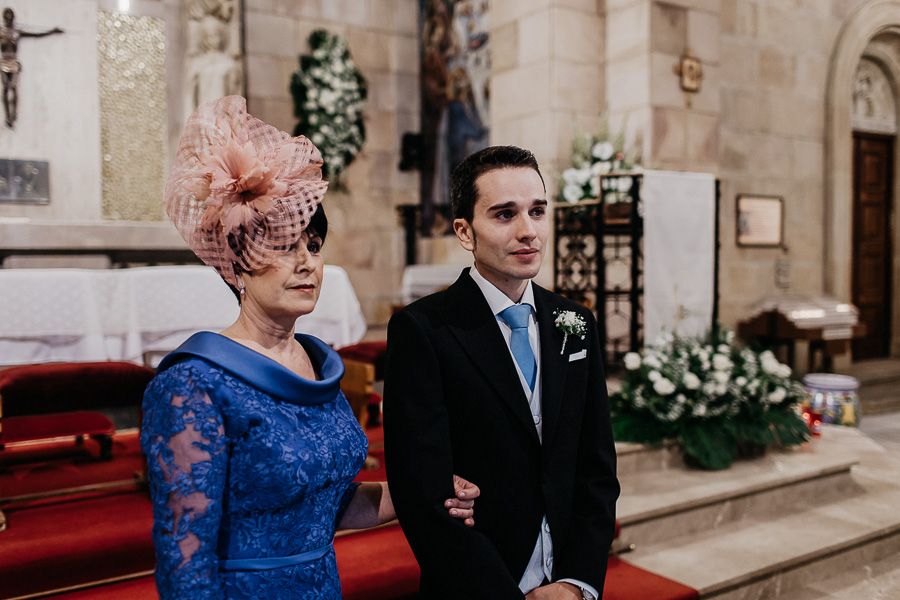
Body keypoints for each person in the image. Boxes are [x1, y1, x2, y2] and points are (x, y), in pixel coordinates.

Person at [141, 95, 479, 599]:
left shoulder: (316, 364)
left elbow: (331, 505)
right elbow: (184, 560)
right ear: (236, 265)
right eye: (283, 246)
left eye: (314, 246)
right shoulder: (194, 384)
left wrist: (428, 491)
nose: (307, 263)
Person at [384, 145, 620, 599]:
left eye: (537, 211)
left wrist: (576, 584)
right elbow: (422, 495)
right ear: (465, 232)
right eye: (505, 214)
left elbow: (597, 470)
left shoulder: (576, 323)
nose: (528, 231)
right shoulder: (424, 331)